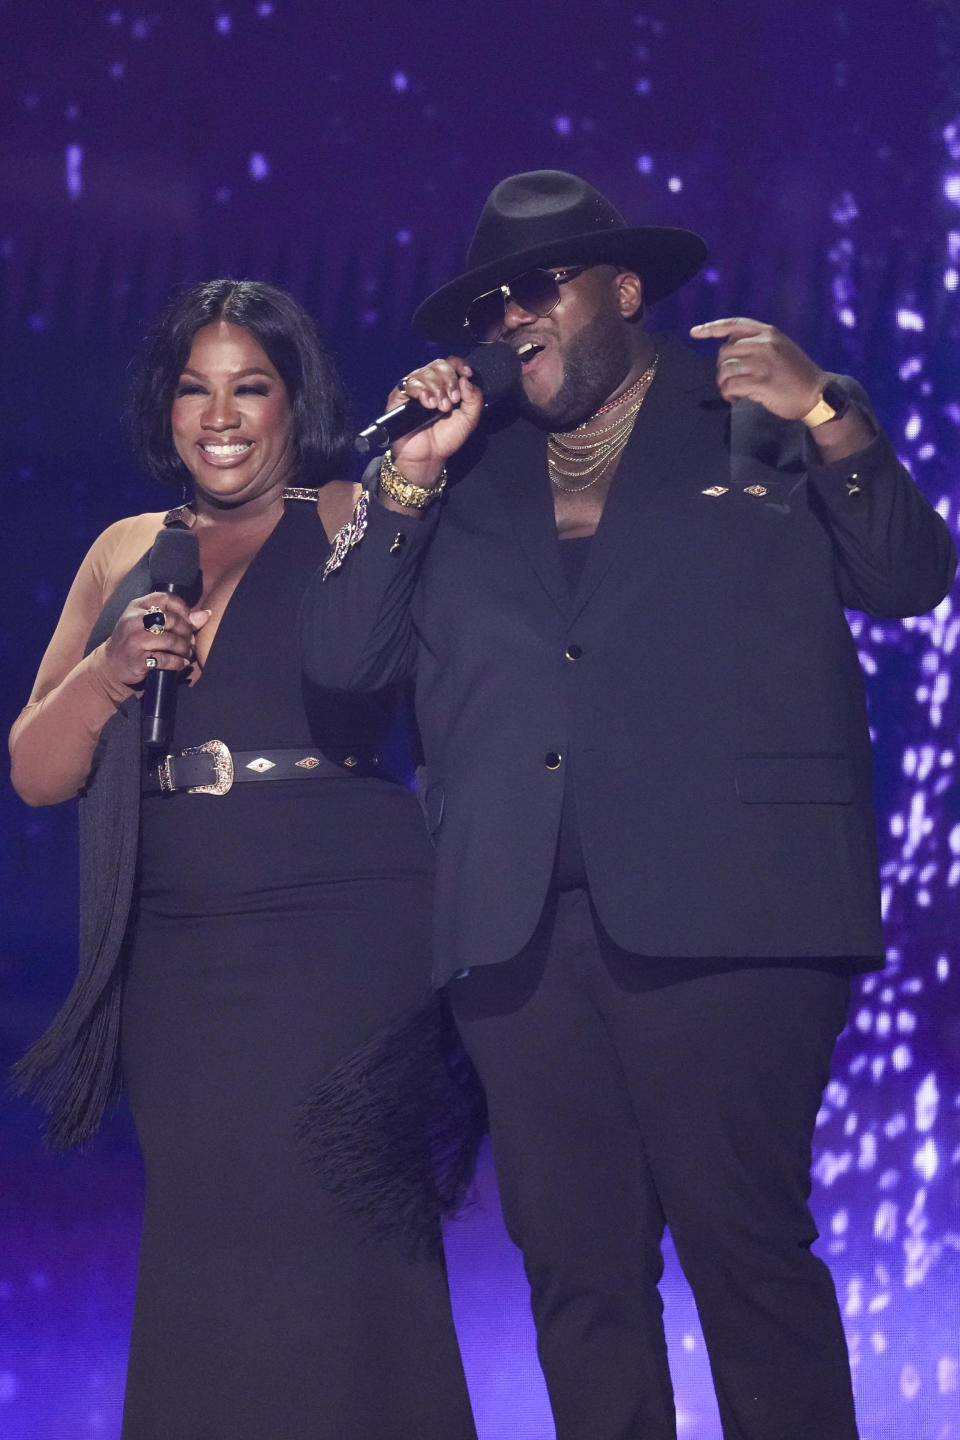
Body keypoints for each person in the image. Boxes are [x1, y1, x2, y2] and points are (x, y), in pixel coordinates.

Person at [298, 171, 957, 1440]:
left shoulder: (752, 413)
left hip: (736, 915)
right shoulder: (459, 467)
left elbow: (909, 577)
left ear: (624, 289)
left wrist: (826, 411)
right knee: (581, 1282)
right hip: (519, 936)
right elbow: (341, 668)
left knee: (747, 1259)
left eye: (539, 287)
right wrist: (408, 485)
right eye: (492, 303)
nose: (512, 317)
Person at [8, 280, 480, 1440]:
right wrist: (113, 667)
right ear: (165, 408)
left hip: (343, 924)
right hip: (178, 936)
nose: (221, 415)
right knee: (210, 1237)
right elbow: (35, 770)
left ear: (292, 401)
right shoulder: (125, 549)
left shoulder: (342, 516)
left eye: (250, 387)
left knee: (339, 1241)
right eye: (195, 389)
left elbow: (409, 688)